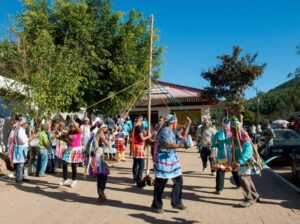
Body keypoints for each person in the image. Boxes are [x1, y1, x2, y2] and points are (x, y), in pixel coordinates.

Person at [151, 114, 191, 213]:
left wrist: (188, 125)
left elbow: (183, 137)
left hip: (172, 159)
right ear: (173, 122)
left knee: (179, 181)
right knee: (160, 183)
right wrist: (181, 145)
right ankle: (156, 205)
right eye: (176, 122)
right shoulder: (164, 131)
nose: (177, 123)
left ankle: (176, 202)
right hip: (163, 159)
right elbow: (168, 144)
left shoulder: (173, 131)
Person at [221, 120, 262, 207]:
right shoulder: (234, 138)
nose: (231, 131)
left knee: (243, 179)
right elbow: (228, 141)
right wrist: (220, 141)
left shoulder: (244, 139)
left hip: (245, 163)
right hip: (240, 162)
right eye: (230, 129)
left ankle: (249, 199)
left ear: (237, 129)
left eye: (232, 129)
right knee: (247, 179)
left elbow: (248, 152)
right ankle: (255, 195)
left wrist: (240, 161)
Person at [212, 118, 240, 194]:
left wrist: (213, 154)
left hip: (222, 155)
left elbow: (214, 144)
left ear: (222, 125)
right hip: (232, 155)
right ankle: (239, 184)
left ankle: (219, 189)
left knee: (221, 171)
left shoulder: (218, 134)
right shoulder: (233, 133)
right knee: (234, 170)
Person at [86, 124, 111, 201]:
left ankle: (100, 194)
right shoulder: (101, 134)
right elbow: (107, 144)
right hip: (99, 156)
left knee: (100, 176)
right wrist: (109, 143)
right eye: (105, 127)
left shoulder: (95, 134)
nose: (106, 128)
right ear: (103, 128)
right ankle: (101, 191)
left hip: (95, 157)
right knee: (104, 174)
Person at [9, 117, 35, 183]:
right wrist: (30, 138)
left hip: (22, 149)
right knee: (20, 165)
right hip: (20, 150)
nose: (27, 125)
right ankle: (19, 179)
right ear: (23, 124)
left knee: (22, 165)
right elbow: (23, 141)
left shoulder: (21, 130)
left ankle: (21, 177)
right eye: (27, 123)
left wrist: (29, 138)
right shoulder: (20, 130)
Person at [60, 122, 83, 188]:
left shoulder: (79, 132)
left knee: (73, 165)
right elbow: (66, 139)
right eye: (71, 126)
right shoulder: (69, 133)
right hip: (69, 149)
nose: (72, 127)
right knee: (64, 163)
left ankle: (74, 180)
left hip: (76, 150)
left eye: (73, 126)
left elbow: (78, 128)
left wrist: (72, 120)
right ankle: (65, 179)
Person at [130, 116, 151, 187]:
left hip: (135, 147)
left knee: (135, 163)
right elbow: (142, 138)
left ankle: (135, 178)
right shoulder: (138, 127)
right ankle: (139, 180)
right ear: (140, 121)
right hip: (139, 147)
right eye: (142, 121)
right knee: (141, 165)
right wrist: (148, 136)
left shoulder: (134, 127)